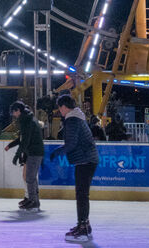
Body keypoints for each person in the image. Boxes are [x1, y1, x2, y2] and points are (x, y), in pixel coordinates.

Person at [51, 94, 98, 242]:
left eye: (60, 108)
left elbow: (71, 144)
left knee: (82, 195)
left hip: (85, 160)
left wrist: (57, 152)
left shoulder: (71, 120)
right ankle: (84, 225)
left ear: (64, 107)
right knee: (82, 194)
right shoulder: (77, 117)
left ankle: (83, 228)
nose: (60, 111)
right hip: (87, 159)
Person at [5, 100, 44, 211]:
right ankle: (32, 200)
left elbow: (25, 141)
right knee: (30, 177)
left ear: (18, 111)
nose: (13, 115)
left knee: (30, 178)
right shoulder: (27, 119)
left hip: (34, 152)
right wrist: (11, 146)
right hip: (33, 151)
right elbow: (23, 139)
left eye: (14, 112)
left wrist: (17, 155)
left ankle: (33, 201)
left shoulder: (27, 121)